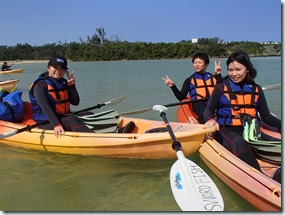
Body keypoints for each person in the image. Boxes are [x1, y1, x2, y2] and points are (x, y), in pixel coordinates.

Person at [204, 51, 281, 174]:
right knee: (240, 143)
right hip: (227, 131)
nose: (234, 74)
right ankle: (260, 177)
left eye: (238, 69)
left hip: (252, 131)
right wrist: (211, 120)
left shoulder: (256, 89)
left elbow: (266, 116)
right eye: (230, 70)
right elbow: (208, 110)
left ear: (248, 69)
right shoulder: (220, 87)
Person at [29, 55, 134, 138]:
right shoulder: (40, 85)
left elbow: (75, 102)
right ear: (48, 68)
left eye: (62, 68)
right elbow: (45, 107)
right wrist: (56, 124)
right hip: (45, 120)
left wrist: (72, 86)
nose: (58, 71)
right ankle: (105, 137)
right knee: (72, 120)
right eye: (55, 67)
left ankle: (115, 130)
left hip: (63, 115)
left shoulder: (63, 82)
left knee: (89, 114)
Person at [162, 52, 222, 123]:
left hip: (212, 102)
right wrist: (173, 86)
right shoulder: (189, 80)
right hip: (198, 103)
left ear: (206, 65)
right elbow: (181, 97)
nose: (197, 65)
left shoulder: (214, 77)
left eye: (199, 62)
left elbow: (222, 88)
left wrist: (218, 74)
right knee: (204, 111)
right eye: (195, 63)